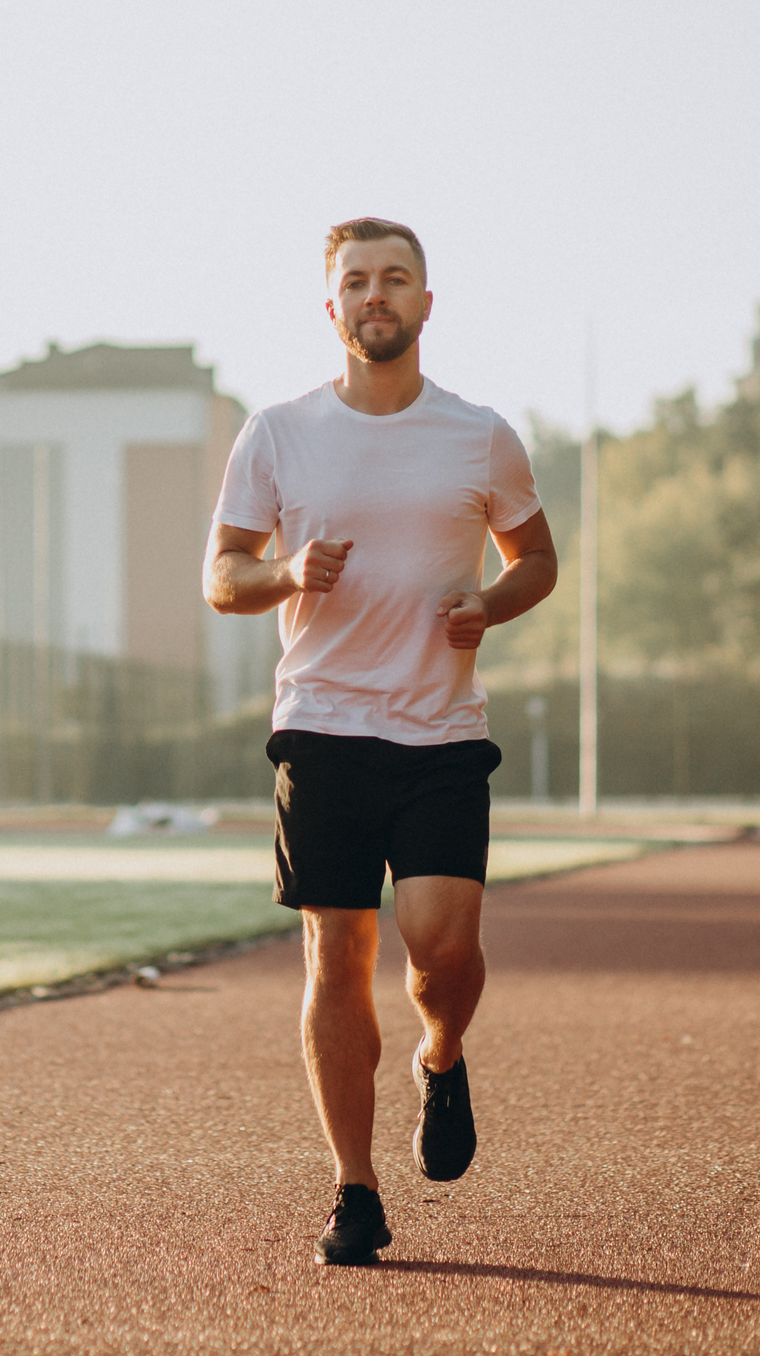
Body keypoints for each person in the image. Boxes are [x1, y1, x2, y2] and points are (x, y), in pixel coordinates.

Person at [202, 217, 558, 1266]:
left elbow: (536, 557)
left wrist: (488, 607)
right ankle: (354, 1190)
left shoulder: (480, 434)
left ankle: (441, 1055)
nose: (376, 295)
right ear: (332, 308)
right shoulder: (278, 432)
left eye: (395, 278)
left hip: (443, 730)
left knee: (443, 953)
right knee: (338, 951)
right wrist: (287, 571)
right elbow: (222, 576)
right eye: (356, 281)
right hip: (324, 726)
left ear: (425, 303)